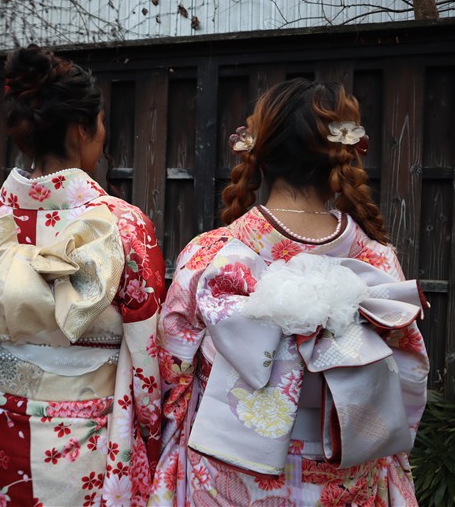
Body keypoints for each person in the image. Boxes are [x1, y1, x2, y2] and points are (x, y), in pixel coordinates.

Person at [150, 79, 429, 506]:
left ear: (258, 155)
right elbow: (408, 373)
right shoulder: (376, 259)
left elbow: (172, 371)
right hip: (346, 467)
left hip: (229, 467)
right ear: (344, 153)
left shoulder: (212, 253)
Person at [0, 44, 166, 506]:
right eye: (100, 124)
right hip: (88, 443)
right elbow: (150, 362)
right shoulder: (122, 226)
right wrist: (151, 436)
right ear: (83, 128)